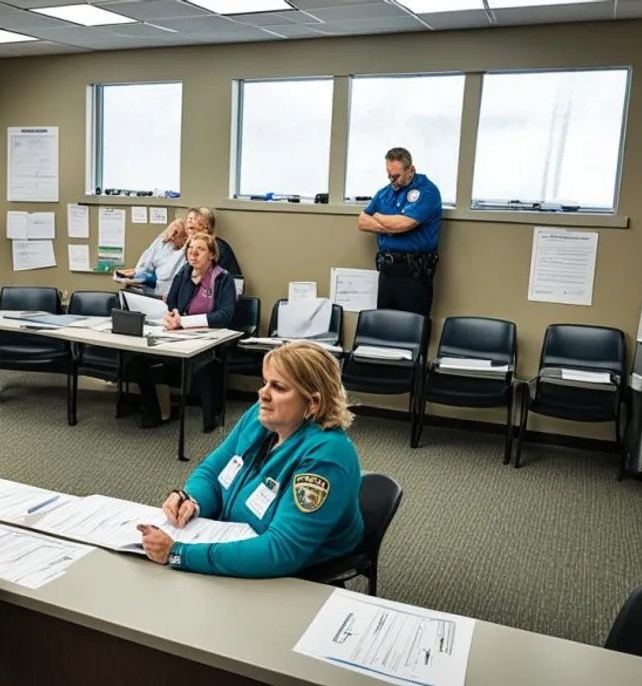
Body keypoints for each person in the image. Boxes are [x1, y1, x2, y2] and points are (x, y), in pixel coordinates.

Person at [137, 342, 363, 578]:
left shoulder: (327, 457)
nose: (263, 394)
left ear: (313, 403)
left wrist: (179, 553)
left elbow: (281, 551)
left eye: (278, 387)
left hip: (293, 574)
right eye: (265, 382)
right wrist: (192, 500)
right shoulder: (261, 417)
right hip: (230, 542)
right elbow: (212, 472)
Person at [131, 233, 237, 433]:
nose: (193, 254)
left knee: (206, 365)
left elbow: (224, 315)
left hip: (207, 342)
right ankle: (156, 412)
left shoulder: (223, 279)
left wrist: (185, 322)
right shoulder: (183, 273)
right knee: (139, 360)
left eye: (200, 250)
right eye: (190, 249)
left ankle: (209, 419)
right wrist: (171, 316)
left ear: (212, 255)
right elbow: (171, 303)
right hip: (175, 336)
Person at [357, 147, 442, 316]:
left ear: (411, 170)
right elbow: (362, 221)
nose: (391, 180)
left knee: (412, 329)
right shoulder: (385, 193)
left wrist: (378, 216)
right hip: (387, 270)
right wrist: (389, 225)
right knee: (385, 326)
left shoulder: (427, 191)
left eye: (396, 176)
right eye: (388, 175)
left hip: (414, 272)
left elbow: (403, 224)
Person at [115, 218, 188, 298]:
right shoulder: (163, 242)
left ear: (186, 236)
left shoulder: (189, 251)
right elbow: (144, 266)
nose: (172, 238)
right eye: (172, 234)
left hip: (171, 299)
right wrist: (133, 275)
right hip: (151, 296)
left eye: (176, 235)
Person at [185, 206, 242, 278]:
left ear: (206, 228)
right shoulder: (186, 245)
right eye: (188, 220)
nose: (188, 223)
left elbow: (236, 280)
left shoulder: (220, 247)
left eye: (193, 220)